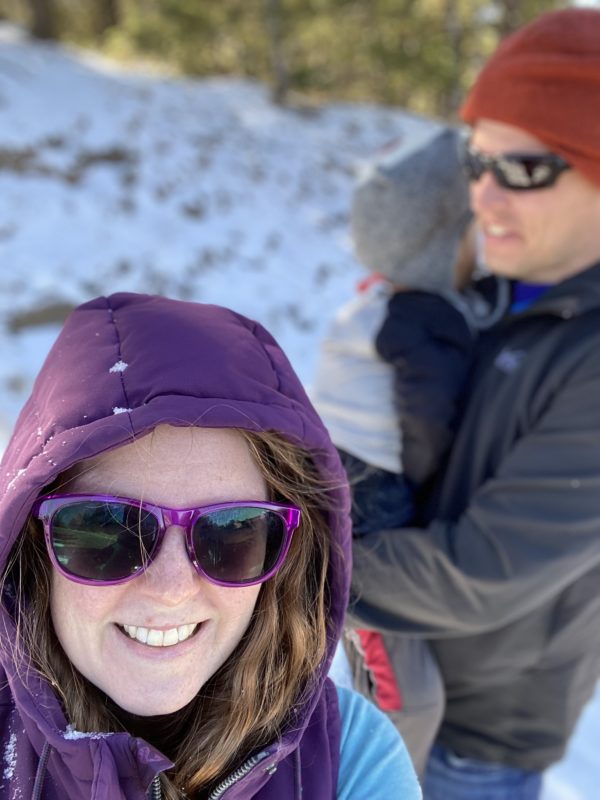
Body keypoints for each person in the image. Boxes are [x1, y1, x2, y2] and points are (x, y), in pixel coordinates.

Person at [0, 293, 421, 799]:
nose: (172, 588)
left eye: (230, 533)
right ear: (31, 546)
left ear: (288, 555)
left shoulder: (351, 757)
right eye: (108, 531)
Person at [349, 8, 600, 800]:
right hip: (396, 694)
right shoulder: (495, 294)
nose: (482, 196)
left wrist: (296, 557)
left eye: (521, 170)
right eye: (474, 163)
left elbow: (478, 572)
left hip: (473, 749)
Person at [314, 127, 509, 776]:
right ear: (436, 245)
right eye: (467, 236)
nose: (476, 252)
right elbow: (427, 421)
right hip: (377, 507)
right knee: (408, 692)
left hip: (342, 485)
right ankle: (392, 776)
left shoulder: (377, 305)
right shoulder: (427, 320)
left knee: (380, 659)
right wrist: (442, 483)